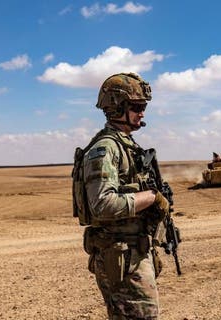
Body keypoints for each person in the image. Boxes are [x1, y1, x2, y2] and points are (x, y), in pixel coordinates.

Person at [73, 72, 170, 319]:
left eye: (144, 106)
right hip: (120, 256)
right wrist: (151, 198)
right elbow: (102, 204)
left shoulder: (126, 145)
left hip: (132, 253)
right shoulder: (105, 149)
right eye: (137, 107)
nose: (143, 113)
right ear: (117, 107)